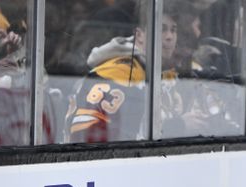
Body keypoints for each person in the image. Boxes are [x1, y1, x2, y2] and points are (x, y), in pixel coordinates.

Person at [67, 3, 207, 142]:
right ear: (139, 35)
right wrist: (180, 126)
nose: (169, 36)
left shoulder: (164, 73)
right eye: (162, 29)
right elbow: (120, 142)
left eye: (173, 30)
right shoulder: (118, 74)